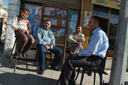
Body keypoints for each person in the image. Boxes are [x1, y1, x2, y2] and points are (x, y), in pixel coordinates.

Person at [57, 16, 109, 85]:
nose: (88, 24)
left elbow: (91, 51)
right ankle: (71, 81)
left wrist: (78, 54)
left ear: (96, 24)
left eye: (90, 22)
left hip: (94, 59)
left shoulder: (99, 34)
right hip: (91, 57)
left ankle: (64, 83)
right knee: (70, 57)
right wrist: (78, 54)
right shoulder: (96, 33)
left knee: (69, 61)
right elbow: (89, 49)